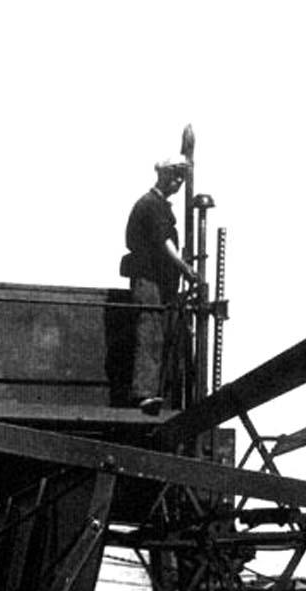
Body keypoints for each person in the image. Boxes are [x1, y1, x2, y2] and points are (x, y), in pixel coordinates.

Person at [116, 156, 200, 414]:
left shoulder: (159, 205)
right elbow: (164, 243)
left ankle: (155, 392)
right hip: (149, 281)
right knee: (150, 334)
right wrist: (185, 268)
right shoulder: (151, 205)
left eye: (181, 178)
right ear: (163, 175)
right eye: (175, 177)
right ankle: (144, 394)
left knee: (159, 335)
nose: (178, 182)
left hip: (159, 282)